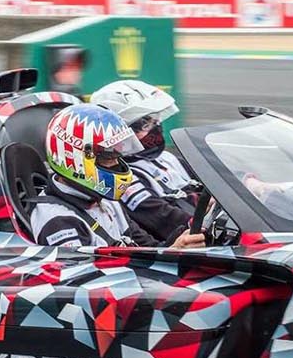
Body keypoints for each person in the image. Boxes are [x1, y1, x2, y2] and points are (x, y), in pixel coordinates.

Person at [30, 103, 206, 249]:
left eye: (118, 157)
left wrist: (177, 245)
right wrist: (174, 252)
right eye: (108, 158)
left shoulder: (106, 200)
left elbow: (148, 248)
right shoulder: (59, 222)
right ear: (75, 158)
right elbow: (91, 278)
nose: (116, 165)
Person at [90, 80, 198, 244]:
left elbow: (212, 182)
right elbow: (165, 219)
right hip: (185, 240)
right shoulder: (123, 177)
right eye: (146, 124)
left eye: (156, 121)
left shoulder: (167, 158)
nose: (156, 128)